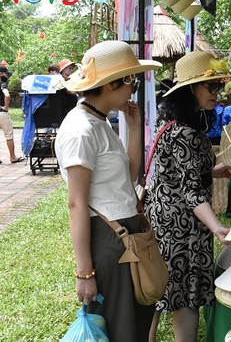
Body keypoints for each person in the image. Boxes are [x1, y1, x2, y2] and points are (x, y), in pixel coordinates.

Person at [54, 40, 162, 341]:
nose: (133, 90)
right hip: (109, 238)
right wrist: (85, 273)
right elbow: (76, 204)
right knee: (121, 329)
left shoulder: (99, 122)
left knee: (134, 325)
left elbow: (125, 178)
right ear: (114, 83)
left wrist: (134, 125)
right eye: (133, 82)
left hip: (124, 234)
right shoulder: (81, 130)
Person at [145, 51, 231, 342]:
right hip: (185, 229)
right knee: (186, 296)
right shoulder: (189, 134)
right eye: (211, 86)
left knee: (159, 289)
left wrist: (214, 172)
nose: (217, 93)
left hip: (160, 220)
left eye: (219, 85)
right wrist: (216, 226)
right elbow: (193, 193)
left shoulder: (166, 123)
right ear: (189, 88)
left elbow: (177, 173)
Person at [0, 66, 23, 164]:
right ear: (1, 73)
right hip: (2, 113)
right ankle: (12, 157)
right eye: (5, 74)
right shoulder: (2, 85)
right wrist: (5, 107)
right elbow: (7, 95)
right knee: (8, 135)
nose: (6, 76)